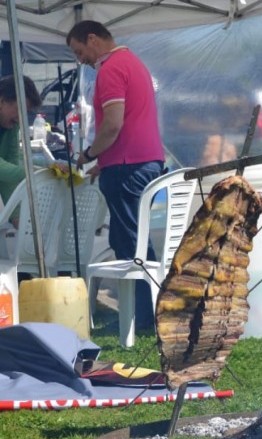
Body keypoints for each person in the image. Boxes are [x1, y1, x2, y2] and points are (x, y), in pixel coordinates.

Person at [66, 20, 165, 331]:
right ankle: (145, 316)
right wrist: (103, 161)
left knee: (129, 247)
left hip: (127, 168)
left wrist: (89, 154)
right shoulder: (134, 63)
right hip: (143, 162)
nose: (79, 58)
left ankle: (140, 319)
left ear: (92, 39)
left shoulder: (109, 69)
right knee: (138, 243)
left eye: (78, 51)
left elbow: (112, 124)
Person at [0, 75, 43, 207]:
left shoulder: (12, 126)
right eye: (20, 110)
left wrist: (16, 217)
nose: (21, 118)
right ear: (2, 101)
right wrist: (34, 172)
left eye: (26, 112)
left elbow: (9, 171)